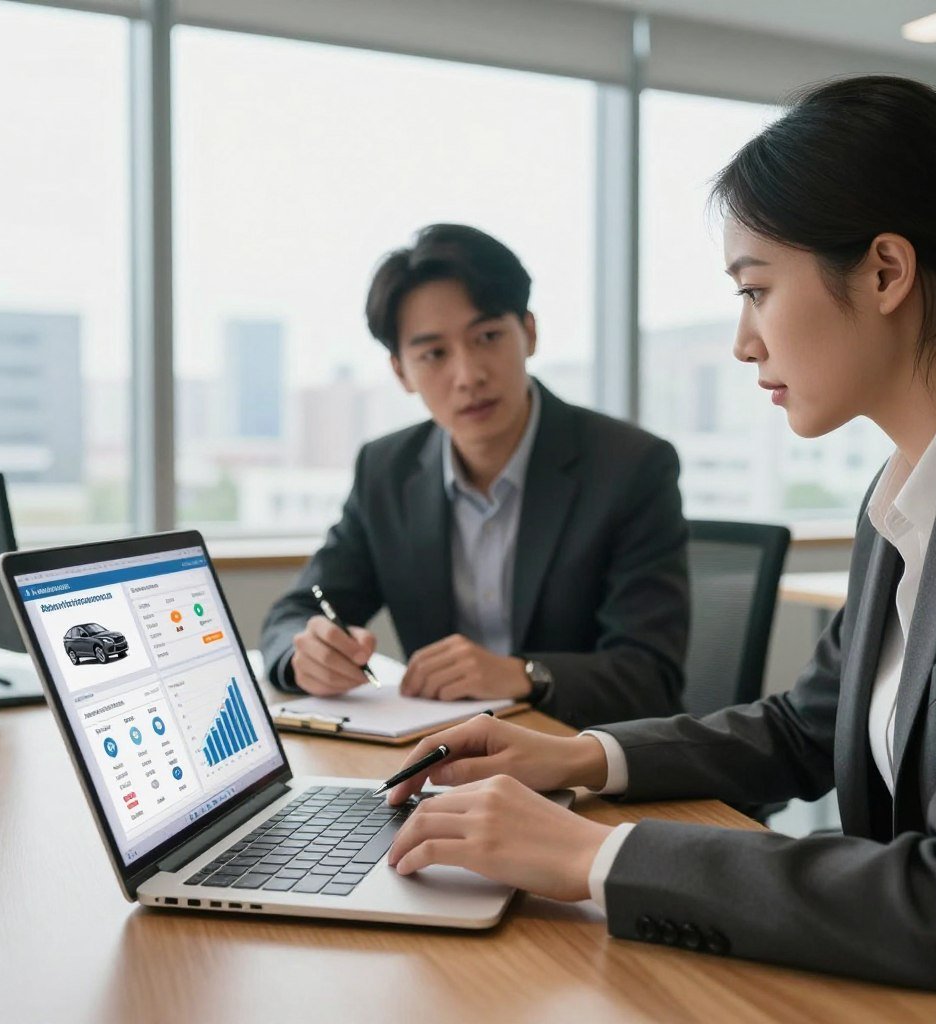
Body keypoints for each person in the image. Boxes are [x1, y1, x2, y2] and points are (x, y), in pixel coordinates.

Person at [379, 78, 936, 1019]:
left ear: (885, 272)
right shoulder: (908, 487)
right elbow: (807, 726)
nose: (743, 342)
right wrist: (579, 759)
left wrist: (588, 855)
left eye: (756, 289)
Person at [260, 224, 689, 729]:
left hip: (581, 761)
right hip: (443, 760)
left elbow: (650, 675)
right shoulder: (387, 471)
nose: (468, 375)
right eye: (434, 354)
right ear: (401, 371)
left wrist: (524, 674)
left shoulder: (629, 466)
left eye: (487, 337)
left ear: (528, 332)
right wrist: (304, 654)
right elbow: (302, 606)